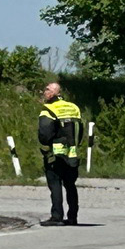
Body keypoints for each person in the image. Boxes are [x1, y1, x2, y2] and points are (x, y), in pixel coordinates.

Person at [37, 81, 83, 225]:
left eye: (47, 90)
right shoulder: (73, 108)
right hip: (72, 153)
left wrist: (47, 145)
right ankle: (72, 217)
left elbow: (44, 134)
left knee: (55, 183)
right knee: (70, 185)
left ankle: (57, 216)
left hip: (55, 154)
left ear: (53, 93)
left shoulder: (48, 109)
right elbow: (80, 130)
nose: (44, 92)